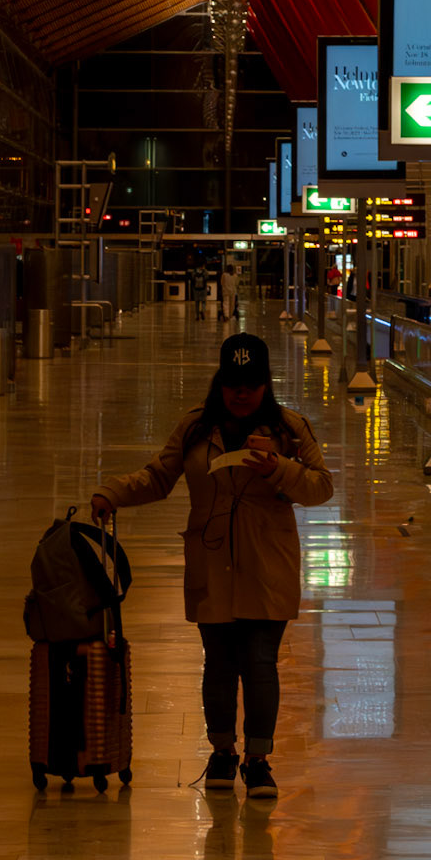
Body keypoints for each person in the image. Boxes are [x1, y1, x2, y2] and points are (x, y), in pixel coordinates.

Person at [90, 333, 333, 797]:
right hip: (211, 558)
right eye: (232, 383)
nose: (241, 393)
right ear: (220, 382)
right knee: (219, 664)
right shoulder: (197, 428)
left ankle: (258, 761)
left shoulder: (290, 429)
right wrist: (113, 492)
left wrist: (278, 469)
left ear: (265, 384)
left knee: (260, 663)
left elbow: (321, 487)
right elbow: (159, 477)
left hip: (268, 563)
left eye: (251, 383)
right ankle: (222, 752)